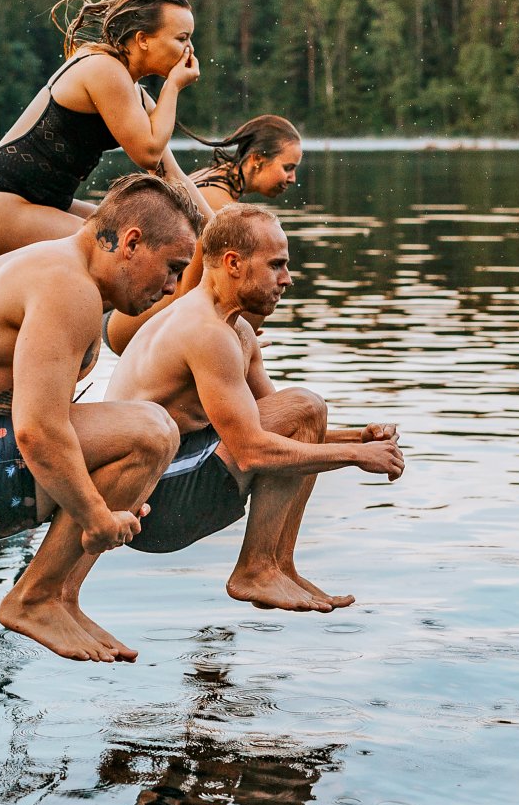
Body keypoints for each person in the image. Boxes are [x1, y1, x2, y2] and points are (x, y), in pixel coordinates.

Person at [0, 174, 204, 662]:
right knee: (152, 431)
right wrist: (95, 515)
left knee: (137, 439)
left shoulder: (59, 266)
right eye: (173, 268)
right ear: (132, 243)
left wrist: (110, 488)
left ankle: (58, 597)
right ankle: (34, 598)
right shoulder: (66, 287)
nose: (173, 286)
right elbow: (37, 430)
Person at [105, 202, 404, 612]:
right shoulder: (204, 332)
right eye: (277, 265)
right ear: (233, 263)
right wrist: (356, 455)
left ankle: (279, 565)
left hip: (181, 476)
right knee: (305, 405)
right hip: (149, 506)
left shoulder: (236, 328)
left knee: (308, 412)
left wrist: (359, 437)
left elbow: (285, 430)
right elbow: (252, 450)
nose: (288, 279)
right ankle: (256, 569)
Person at [0, 0, 203, 260]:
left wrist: (221, 233)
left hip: (46, 205)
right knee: (119, 254)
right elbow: (148, 154)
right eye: (182, 38)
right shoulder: (102, 67)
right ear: (143, 40)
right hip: (0, 208)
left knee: (143, 241)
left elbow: (171, 176)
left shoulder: (134, 93)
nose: (190, 51)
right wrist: (173, 86)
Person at [104, 114, 303, 355]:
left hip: (121, 305)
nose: (292, 179)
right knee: (256, 277)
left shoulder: (209, 180)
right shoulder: (219, 208)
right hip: (128, 321)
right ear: (257, 160)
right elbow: (189, 297)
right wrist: (233, 337)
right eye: (288, 168)